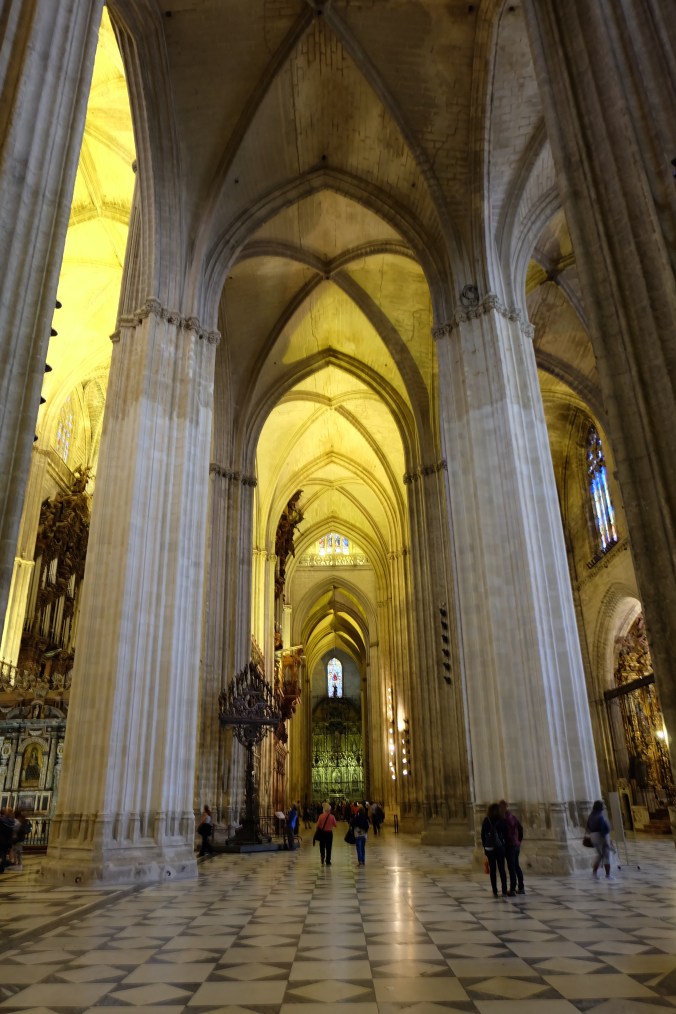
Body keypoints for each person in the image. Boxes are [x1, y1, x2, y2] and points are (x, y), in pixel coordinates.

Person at [481, 802, 508, 896]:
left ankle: (495, 890)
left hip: (489, 848)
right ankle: (504, 890)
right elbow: (506, 834)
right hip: (500, 847)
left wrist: (485, 848)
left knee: (492, 870)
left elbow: (482, 835)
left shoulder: (486, 820)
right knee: (501, 869)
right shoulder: (502, 820)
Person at [499, 799, 524, 895]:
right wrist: (519, 841)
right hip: (515, 844)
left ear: (504, 807)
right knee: (516, 866)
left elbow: (505, 833)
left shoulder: (505, 819)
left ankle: (513, 889)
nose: (500, 809)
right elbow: (520, 829)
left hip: (510, 846)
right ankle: (521, 887)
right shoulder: (512, 817)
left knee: (512, 867)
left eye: (501, 807)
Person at [586, 799, 614, 879]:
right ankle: (608, 875)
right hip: (601, 837)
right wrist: (607, 842)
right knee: (606, 856)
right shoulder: (600, 816)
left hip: (593, 837)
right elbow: (603, 829)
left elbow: (588, 827)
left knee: (599, 855)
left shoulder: (591, 815)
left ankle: (594, 873)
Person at [0, 807, 15, 873]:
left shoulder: (1, 820)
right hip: (7, 841)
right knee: (4, 855)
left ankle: (1, 868)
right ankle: (2, 868)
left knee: (2, 854)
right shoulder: (11, 821)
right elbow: (11, 831)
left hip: (1, 840)